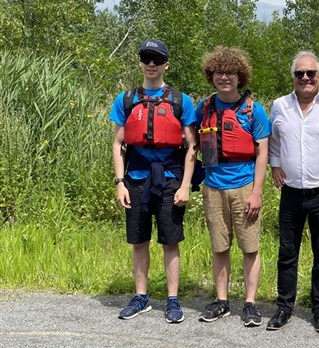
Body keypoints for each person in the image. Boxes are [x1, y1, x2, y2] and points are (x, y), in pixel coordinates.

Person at [110, 39, 197, 323]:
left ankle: (172, 300)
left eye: (156, 59)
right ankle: (141, 297)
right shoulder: (126, 99)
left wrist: (185, 185)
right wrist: (120, 182)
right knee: (139, 241)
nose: (151, 64)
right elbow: (118, 143)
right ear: (140, 62)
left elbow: (192, 147)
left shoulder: (180, 100)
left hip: (169, 178)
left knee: (170, 242)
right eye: (146, 58)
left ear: (165, 64)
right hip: (135, 179)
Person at [266, 51, 319, 332]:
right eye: (299, 73)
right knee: (287, 252)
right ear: (293, 77)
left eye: (310, 73)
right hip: (290, 192)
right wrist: (274, 166)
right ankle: (284, 307)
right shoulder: (279, 106)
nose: (305, 78)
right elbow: (273, 141)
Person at [195, 46, 270, 328]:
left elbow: (263, 152)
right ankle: (222, 301)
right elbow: (190, 142)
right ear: (211, 76)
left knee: (250, 248)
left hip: (244, 186)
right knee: (219, 247)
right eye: (218, 72)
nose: (224, 77)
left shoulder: (254, 110)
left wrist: (257, 192)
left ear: (241, 77)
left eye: (230, 73)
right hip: (213, 186)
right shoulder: (203, 108)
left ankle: (250, 303)